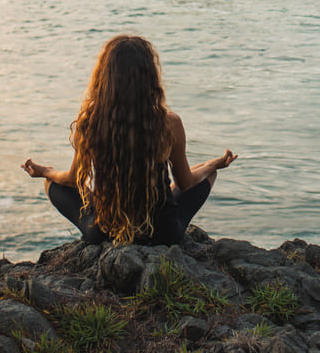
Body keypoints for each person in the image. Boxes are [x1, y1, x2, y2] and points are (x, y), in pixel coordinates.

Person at [22, 34, 237, 245]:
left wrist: (44, 172)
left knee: (53, 183)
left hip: (104, 231)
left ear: (104, 78)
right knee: (207, 174)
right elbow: (186, 182)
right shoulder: (169, 123)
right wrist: (212, 165)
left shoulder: (91, 123)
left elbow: (72, 180)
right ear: (150, 78)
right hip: (163, 233)